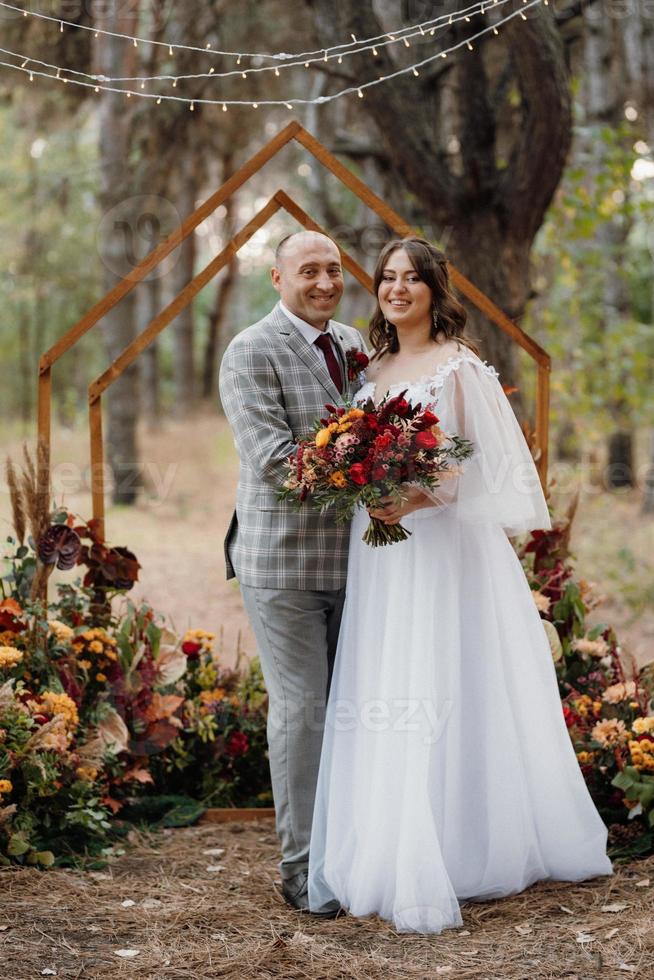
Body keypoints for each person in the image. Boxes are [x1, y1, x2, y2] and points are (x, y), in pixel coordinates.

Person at [308, 237, 613, 933]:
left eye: (412, 279)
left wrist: (414, 498)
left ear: (435, 290)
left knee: (447, 676)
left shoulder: (459, 368)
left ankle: (464, 842)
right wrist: (361, 484)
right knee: (389, 679)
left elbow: (472, 468)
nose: (397, 289)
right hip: (381, 551)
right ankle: (391, 837)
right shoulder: (370, 365)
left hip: (442, 547)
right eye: (387, 278)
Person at [219, 230, 368, 917]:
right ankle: (303, 871)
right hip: (284, 563)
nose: (324, 281)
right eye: (308, 270)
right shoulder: (249, 351)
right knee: (304, 709)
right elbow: (276, 458)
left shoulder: (354, 343)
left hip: (364, 563)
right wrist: (377, 471)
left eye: (333, 269)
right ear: (277, 278)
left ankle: (356, 852)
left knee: (357, 709)